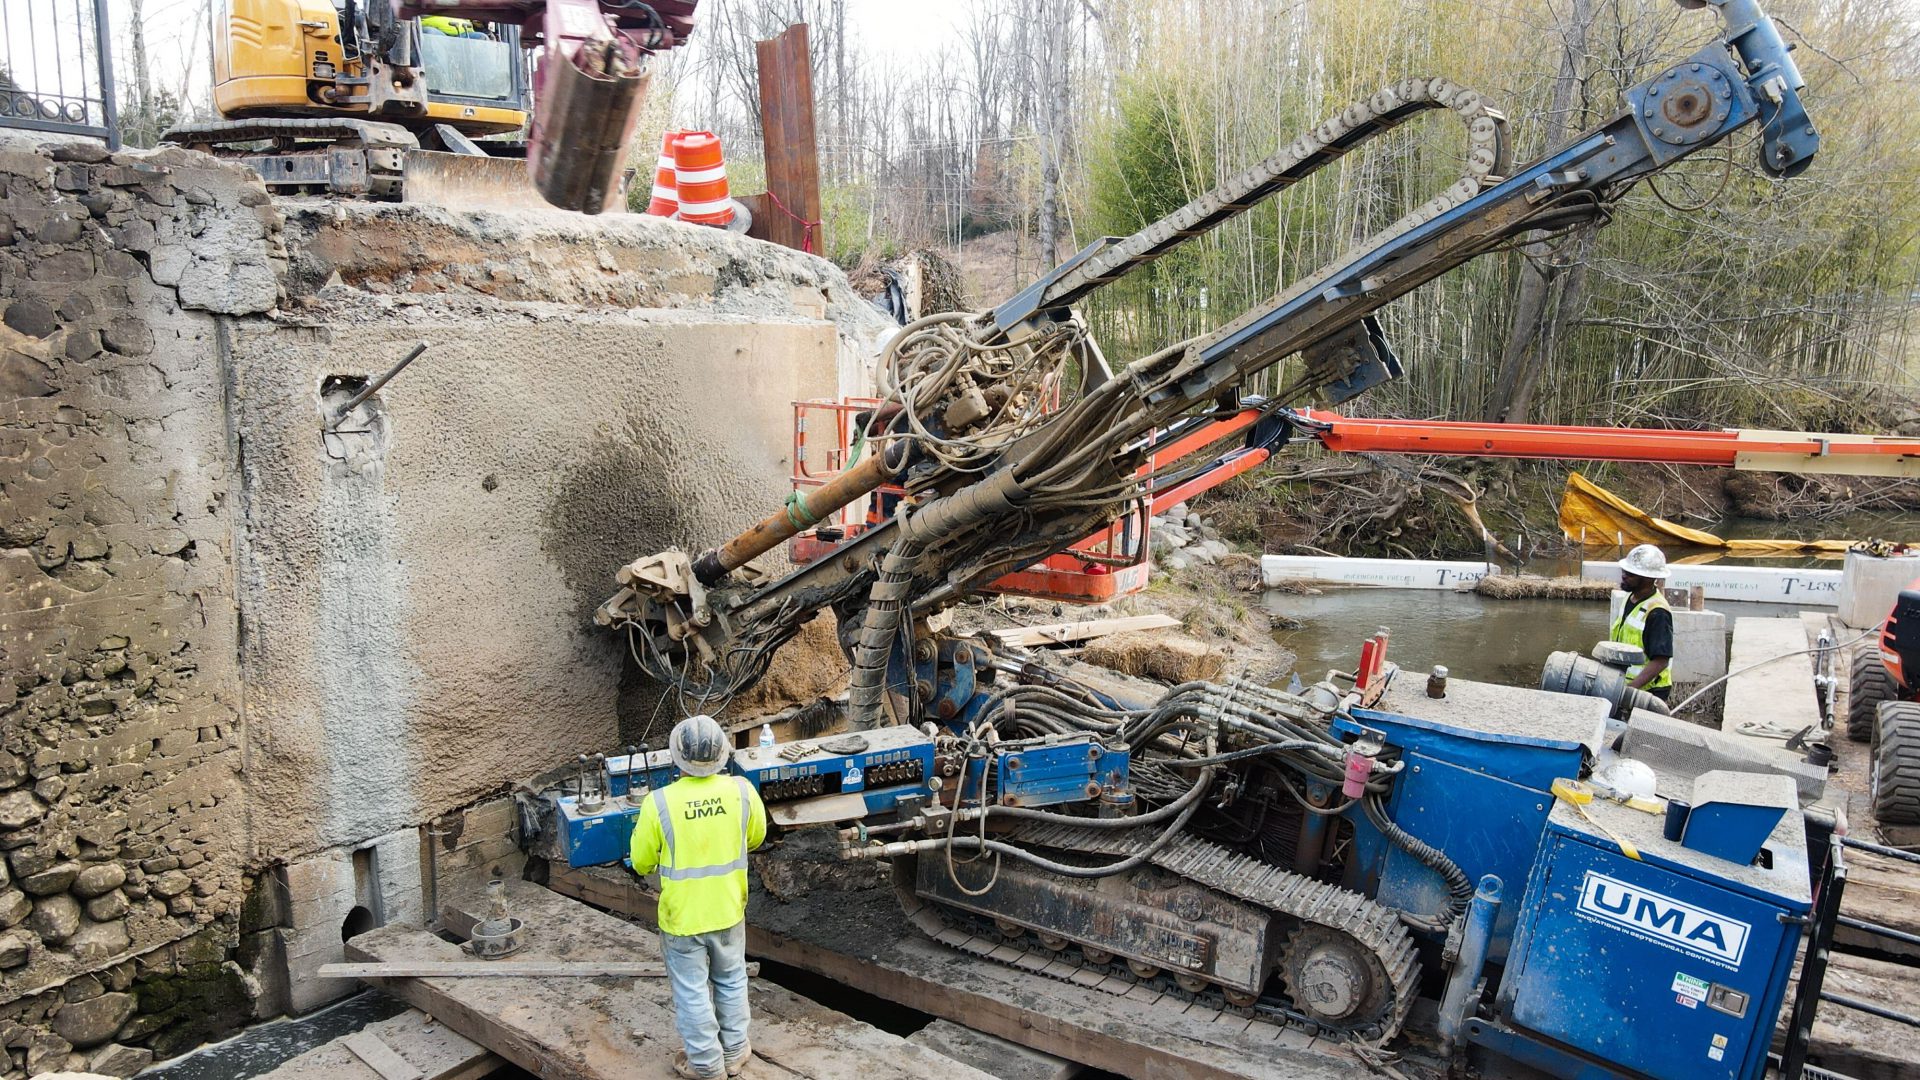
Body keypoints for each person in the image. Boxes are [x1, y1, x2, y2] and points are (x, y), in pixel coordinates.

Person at [629, 715, 768, 1079]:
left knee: (691, 991)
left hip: (683, 918)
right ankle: (735, 1051)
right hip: (728, 909)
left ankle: (706, 1065)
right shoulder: (741, 791)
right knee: (732, 978)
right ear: (723, 754)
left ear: (676, 757)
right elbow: (756, 837)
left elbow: (642, 861)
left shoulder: (658, 803)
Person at [1612, 544, 1674, 701]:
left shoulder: (1657, 612)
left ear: (1648, 578)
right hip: (1626, 685)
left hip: (1648, 690)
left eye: (1631, 574)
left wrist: (1628, 690)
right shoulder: (1630, 598)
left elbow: (1661, 661)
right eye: (1624, 571)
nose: (1624, 576)